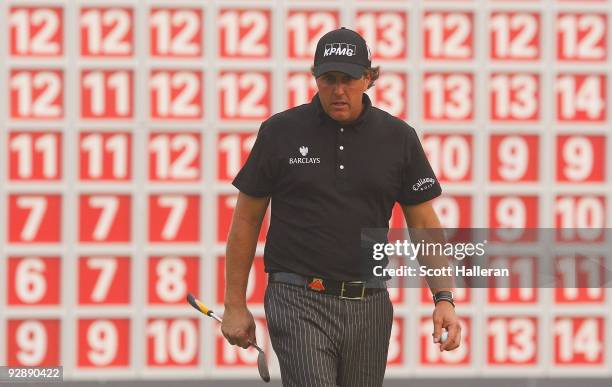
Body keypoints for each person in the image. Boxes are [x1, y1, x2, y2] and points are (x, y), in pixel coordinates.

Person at [221, 27, 461, 387]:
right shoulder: (279, 132)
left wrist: (444, 298)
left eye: (348, 79)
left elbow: (424, 222)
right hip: (297, 297)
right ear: (315, 78)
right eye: (328, 79)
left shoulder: (399, 138)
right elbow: (245, 221)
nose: (338, 90)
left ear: (368, 78)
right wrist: (234, 304)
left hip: (370, 303)